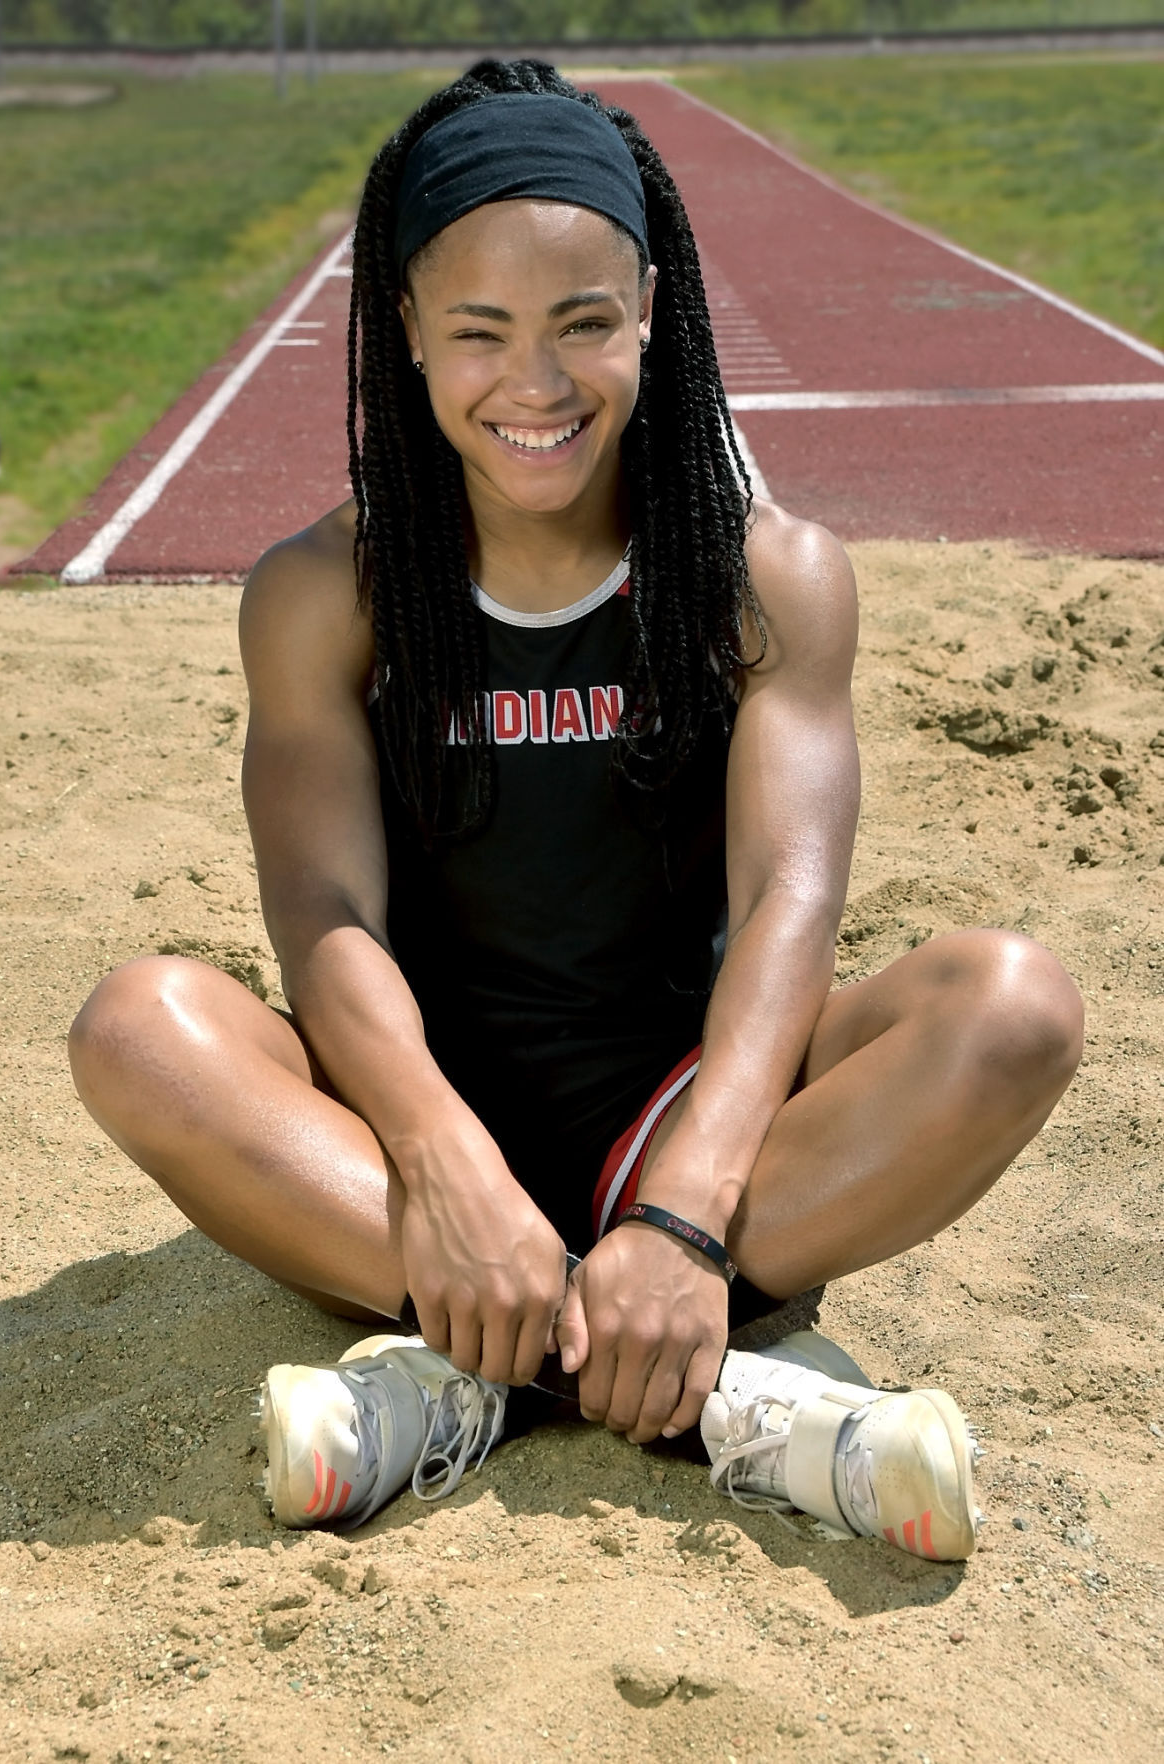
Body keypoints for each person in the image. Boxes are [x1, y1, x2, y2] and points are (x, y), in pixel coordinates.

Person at [68, 60, 1083, 1560]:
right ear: (402, 331)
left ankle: (467, 1380)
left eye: (581, 325)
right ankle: (731, 1400)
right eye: (476, 330)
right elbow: (325, 916)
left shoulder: (764, 571)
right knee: (137, 1026)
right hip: (412, 1133)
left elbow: (793, 901)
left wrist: (682, 1212)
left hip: (687, 1111)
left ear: (653, 310)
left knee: (1011, 1004)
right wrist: (441, 1159)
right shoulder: (322, 592)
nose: (532, 386)